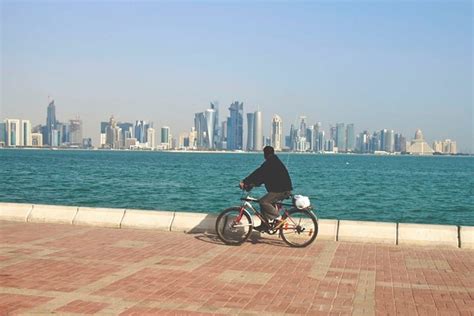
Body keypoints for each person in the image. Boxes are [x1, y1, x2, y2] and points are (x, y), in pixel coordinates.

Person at [239, 146, 293, 232]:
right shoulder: (274, 161)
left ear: (265, 154)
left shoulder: (270, 163)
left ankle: (279, 218)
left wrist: (245, 181)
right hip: (282, 189)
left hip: (281, 191)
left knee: (263, 202)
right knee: (263, 203)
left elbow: (258, 172)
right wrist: (252, 184)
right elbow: (263, 177)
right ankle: (264, 225)